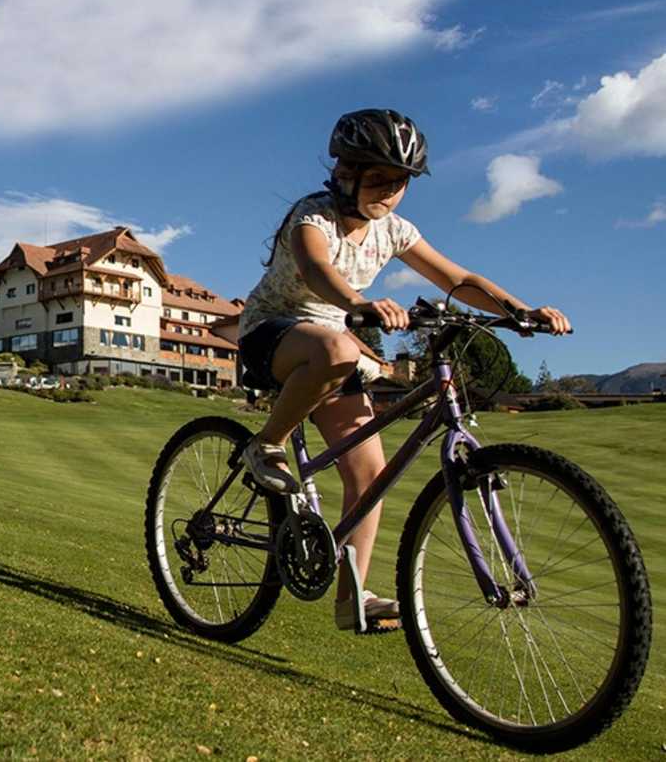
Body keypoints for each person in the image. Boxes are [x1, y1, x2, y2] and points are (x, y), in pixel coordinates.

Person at [236, 108, 570, 630]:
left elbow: (457, 279)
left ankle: (352, 599)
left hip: (333, 342)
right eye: (379, 179)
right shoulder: (312, 217)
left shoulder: (393, 231)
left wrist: (520, 311)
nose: (390, 192)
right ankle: (267, 444)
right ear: (345, 174)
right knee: (341, 350)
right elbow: (316, 269)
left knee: (370, 476)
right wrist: (357, 303)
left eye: (401, 182)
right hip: (272, 332)